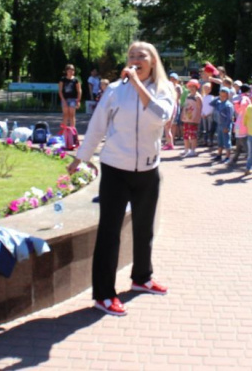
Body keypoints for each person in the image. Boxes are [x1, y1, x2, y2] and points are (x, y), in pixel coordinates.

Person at [68, 41, 175, 317]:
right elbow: (97, 126)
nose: (136, 59)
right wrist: (81, 157)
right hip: (116, 168)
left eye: (142, 56)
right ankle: (103, 294)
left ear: (153, 61)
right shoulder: (115, 91)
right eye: (132, 56)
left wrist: (138, 85)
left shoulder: (165, 90)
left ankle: (142, 277)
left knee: (144, 228)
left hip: (148, 170)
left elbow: (160, 117)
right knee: (109, 232)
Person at [230, 85, 252, 165]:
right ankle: (249, 159)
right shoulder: (245, 98)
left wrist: (237, 107)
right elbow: (243, 107)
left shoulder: (240, 97)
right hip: (243, 122)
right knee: (242, 141)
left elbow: (239, 108)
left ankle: (236, 158)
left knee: (241, 141)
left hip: (241, 122)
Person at [212, 87, 234, 163]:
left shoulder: (228, 105)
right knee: (220, 140)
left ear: (227, 95)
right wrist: (218, 97)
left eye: (223, 94)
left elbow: (229, 117)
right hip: (219, 124)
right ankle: (219, 155)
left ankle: (228, 157)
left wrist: (227, 126)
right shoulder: (218, 103)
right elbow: (211, 103)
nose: (221, 96)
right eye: (220, 94)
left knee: (227, 141)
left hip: (225, 125)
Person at [180, 79, 202, 157]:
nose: (192, 88)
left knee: (193, 135)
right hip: (187, 118)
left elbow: (199, 108)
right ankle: (186, 149)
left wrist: (196, 117)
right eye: (190, 86)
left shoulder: (198, 96)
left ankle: (193, 150)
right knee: (186, 134)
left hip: (193, 119)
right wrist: (182, 114)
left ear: (196, 87)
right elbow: (185, 106)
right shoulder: (188, 96)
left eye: (193, 86)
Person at [59, 64, 82, 130]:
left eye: (72, 70)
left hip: (73, 99)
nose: (71, 71)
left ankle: (73, 131)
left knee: (72, 115)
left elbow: (79, 90)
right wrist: (63, 100)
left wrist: (78, 100)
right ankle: (63, 131)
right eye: (69, 70)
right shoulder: (62, 79)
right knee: (65, 115)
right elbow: (60, 90)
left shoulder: (76, 80)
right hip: (65, 99)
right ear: (66, 71)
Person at [162, 73, 181, 151]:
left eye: (174, 79)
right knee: (167, 128)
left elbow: (177, 98)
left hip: (172, 109)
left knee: (168, 128)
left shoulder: (177, 88)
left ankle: (170, 144)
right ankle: (169, 143)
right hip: (170, 109)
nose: (172, 80)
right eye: (171, 78)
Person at [200, 82, 216, 148]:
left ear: (210, 89)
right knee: (204, 129)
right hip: (203, 115)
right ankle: (205, 141)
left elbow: (212, 107)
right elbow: (201, 106)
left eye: (208, 88)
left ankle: (210, 141)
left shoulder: (212, 97)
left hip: (209, 115)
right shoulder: (202, 97)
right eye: (205, 88)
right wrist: (202, 113)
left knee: (210, 129)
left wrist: (208, 113)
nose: (206, 89)